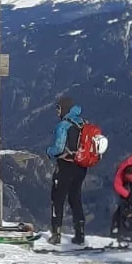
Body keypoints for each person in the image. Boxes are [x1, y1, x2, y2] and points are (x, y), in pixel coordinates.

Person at [46, 96, 88, 245]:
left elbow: (58, 148)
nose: (57, 112)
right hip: (81, 167)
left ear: (63, 108)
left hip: (65, 165)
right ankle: (80, 233)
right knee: (75, 198)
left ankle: (56, 234)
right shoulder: (82, 122)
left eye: (58, 108)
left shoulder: (63, 125)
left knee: (58, 199)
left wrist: (49, 151)